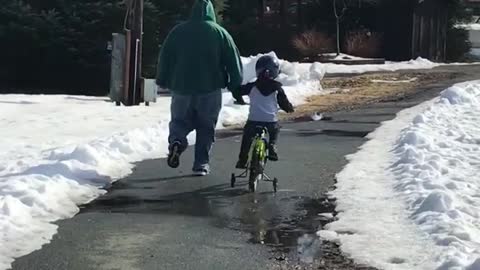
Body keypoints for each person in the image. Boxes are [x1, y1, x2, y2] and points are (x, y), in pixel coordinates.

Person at [156, 0, 243, 176]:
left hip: (181, 87)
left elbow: (165, 56)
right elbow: (233, 61)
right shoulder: (219, 32)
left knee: (179, 121)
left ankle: (177, 142)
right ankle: (201, 164)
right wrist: (236, 87)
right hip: (210, 88)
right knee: (206, 126)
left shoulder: (178, 31)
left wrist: (162, 79)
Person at [233, 55, 294, 169]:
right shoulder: (277, 88)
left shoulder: (252, 86)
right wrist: (289, 108)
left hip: (253, 120)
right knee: (275, 130)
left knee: (247, 138)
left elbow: (237, 91)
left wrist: (239, 99)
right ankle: (272, 146)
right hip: (270, 121)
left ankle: (242, 159)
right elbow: (283, 103)